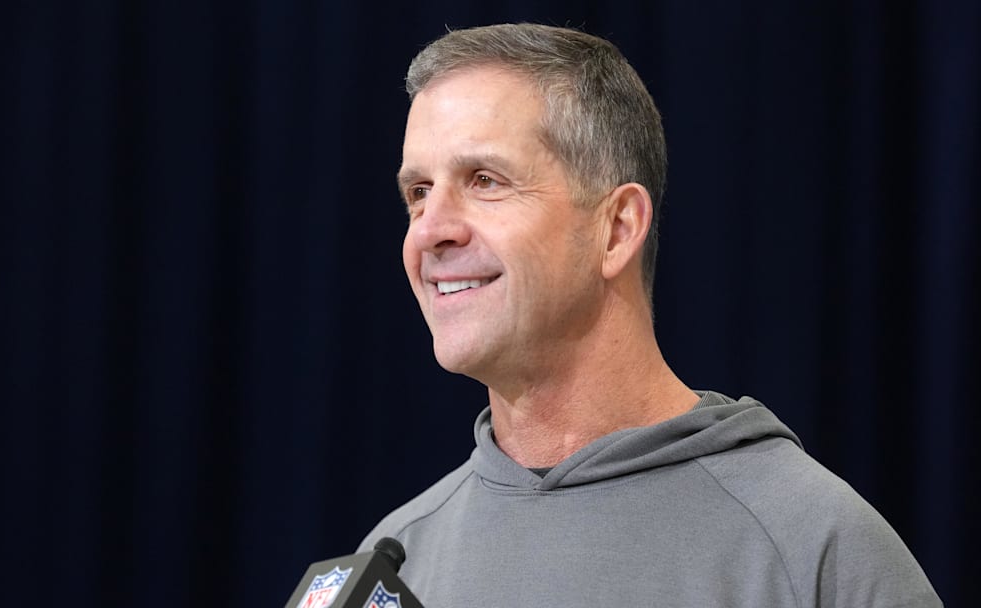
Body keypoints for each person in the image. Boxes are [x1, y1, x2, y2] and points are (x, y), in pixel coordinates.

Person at [360, 23, 941, 607]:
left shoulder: (814, 549)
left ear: (617, 229)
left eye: (485, 181)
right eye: (419, 193)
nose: (429, 231)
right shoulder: (392, 564)